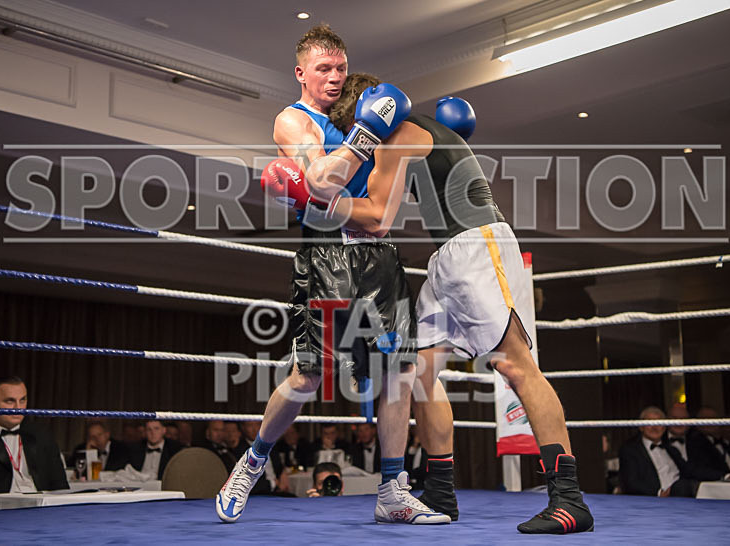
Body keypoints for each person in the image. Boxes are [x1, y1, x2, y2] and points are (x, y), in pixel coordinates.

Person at [321, 73, 594, 532]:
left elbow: (377, 217)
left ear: (365, 116)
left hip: (477, 246)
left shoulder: (398, 135)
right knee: (419, 369)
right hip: (448, 256)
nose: (355, 143)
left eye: (352, 131)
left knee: (515, 364)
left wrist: (316, 198)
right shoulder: (421, 131)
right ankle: (441, 491)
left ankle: (569, 500)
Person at [216, 24, 449, 525]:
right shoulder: (293, 121)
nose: (336, 76)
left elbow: (384, 204)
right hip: (328, 257)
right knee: (308, 374)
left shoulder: (364, 113)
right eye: (325, 68)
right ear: (301, 73)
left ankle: (392, 490)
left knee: (398, 373)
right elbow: (322, 181)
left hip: (381, 255)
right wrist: (367, 133)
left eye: (341, 68)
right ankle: (253, 460)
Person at [0, 376, 68, 493]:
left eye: (22, 400)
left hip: (41, 506)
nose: (18, 408)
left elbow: (60, 484)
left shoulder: (41, 433)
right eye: (10, 401)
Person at [618, 406, 698, 497]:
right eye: (650, 423)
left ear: (664, 428)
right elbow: (631, 483)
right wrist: (659, 493)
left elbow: (690, 471)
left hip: (682, 497)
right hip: (652, 500)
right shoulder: (630, 450)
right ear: (641, 427)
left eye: (659, 423)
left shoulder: (672, 449)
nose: (655, 427)